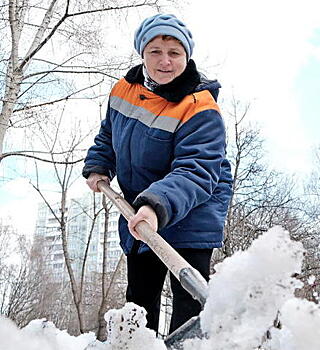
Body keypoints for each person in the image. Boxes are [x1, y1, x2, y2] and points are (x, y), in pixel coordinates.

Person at [83, 13, 233, 334]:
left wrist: (154, 206)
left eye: (175, 53)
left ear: (186, 56)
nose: (165, 61)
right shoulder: (124, 89)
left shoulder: (200, 107)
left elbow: (197, 170)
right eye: (155, 51)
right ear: (142, 53)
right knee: (139, 302)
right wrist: (99, 164)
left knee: (188, 309)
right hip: (141, 210)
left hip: (192, 210)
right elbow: (110, 133)